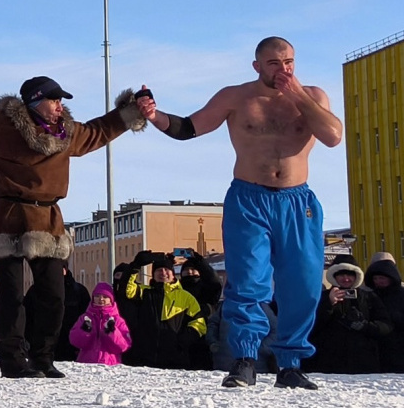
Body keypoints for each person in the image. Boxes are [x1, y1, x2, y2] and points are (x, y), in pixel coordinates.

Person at [137, 36, 343, 390]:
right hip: (248, 199)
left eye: (289, 61)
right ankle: (245, 359)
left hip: (297, 201)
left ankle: (290, 364)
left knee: (304, 285)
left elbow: (333, 136)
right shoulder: (236, 96)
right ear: (257, 65)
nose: (284, 69)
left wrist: (296, 94)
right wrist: (154, 115)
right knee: (248, 281)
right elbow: (189, 127)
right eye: (275, 63)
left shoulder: (313, 96)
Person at [0, 75, 145, 378]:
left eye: (61, 101)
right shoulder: (2, 127)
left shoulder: (66, 133)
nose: (60, 106)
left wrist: (132, 111)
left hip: (48, 218)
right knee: (10, 293)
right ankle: (11, 359)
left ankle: (43, 358)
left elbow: (99, 131)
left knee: (53, 293)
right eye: (55, 100)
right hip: (9, 213)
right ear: (36, 101)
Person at [304, 255, 391, 375]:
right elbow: (310, 326)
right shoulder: (321, 297)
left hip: (364, 365)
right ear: (334, 276)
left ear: (357, 276)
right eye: (341, 275)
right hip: (327, 365)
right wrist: (328, 304)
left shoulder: (369, 297)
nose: (346, 279)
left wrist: (364, 326)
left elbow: (386, 326)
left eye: (350, 275)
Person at [123, 251, 207, 370]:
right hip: (145, 359)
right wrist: (135, 266)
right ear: (153, 275)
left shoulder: (186, 297)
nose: (163, 273)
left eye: (166, 270)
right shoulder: (144, 292)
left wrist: (182, 341)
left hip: (175, 361)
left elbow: (199, 323)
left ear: (173, 274)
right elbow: (125, 289)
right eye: (158, 270)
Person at [365, 259, 404, 374]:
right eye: (375, 278)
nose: (378, 282)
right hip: (374, 354)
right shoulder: (368, 297)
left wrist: (394, 317)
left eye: (381, 278)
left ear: (391, 278)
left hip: (402, 354)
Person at [68, 283, 131, 366]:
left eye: (105, 297)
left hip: (110, 365)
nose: (101, 299)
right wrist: (85, 331)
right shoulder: (85, 318)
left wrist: (112, 333)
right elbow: (74, 341)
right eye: (97, 296)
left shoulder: (118, 320)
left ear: (111, 299)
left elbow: (124, 346)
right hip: (86, 364)